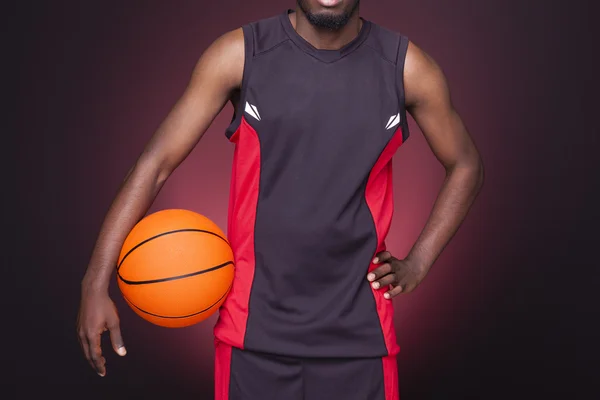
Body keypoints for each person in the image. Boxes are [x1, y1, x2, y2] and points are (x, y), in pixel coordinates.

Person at [77, 1, 484, 399]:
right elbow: (156, 163)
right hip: (251, 336)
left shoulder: (407, 68)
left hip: (361, 339)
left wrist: (419, 262)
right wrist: (95, 282)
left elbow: (466, 164)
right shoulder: (239, 55)